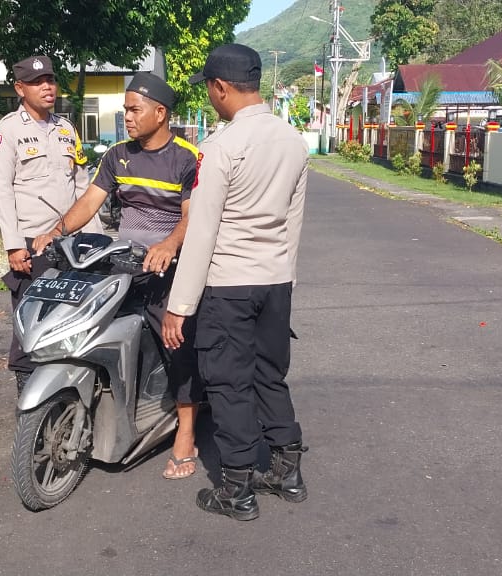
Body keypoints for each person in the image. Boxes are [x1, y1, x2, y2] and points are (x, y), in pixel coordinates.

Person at [31, 72, 203, 481]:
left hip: (169, 268)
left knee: (177, 343)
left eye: (134, 109)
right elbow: (90, 201)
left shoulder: (187, 158)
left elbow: (191, 216)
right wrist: (56, 233)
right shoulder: (116, 155)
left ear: (160, 113)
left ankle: (186, 434)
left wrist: (169, 246)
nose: (126, 116)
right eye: (125, 109)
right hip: (124, 262)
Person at [162, 43, 309, 521]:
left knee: (228, 384)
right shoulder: (293, 141)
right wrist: (285, 281)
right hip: (275, 280)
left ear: (220, 87)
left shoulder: (220, 147)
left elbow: (202, 233)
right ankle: (287, 471)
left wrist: (179, 305)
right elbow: (293, 222)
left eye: (208, 89)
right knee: (270, 374)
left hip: (229, 285)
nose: (209, 96)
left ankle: (237, 488)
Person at [0, 54, 101, 392]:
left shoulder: (66, 129)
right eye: (37, 82)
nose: (47, 87)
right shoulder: (6, 132)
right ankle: (27, 390)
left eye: (50, 80)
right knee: (29, 320)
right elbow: (2, 191)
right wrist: (13, 246)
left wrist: (95, 239)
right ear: (20, 88)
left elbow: (82, 186)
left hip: (70, 242)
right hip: (30, 243)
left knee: (70, 316)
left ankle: (67, 389)